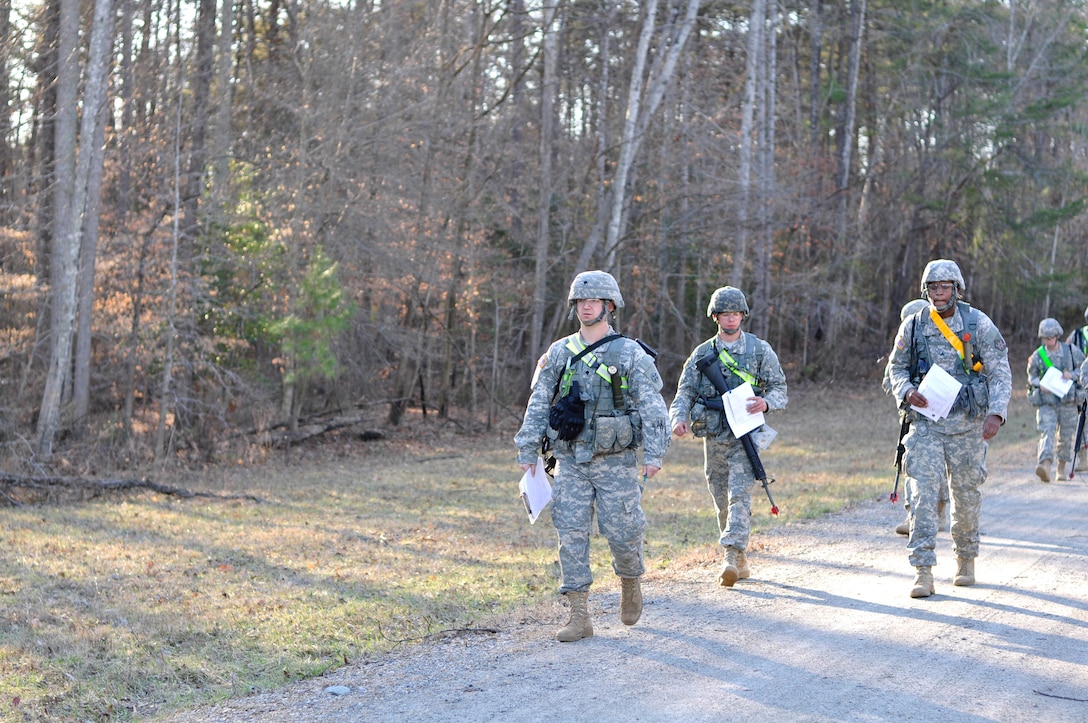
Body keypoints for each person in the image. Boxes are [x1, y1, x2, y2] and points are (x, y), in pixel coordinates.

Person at [514, 270, 670, 642]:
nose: (586, 306)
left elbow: (653, 408)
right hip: (570, 460)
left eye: (594, 301)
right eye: (581, 302)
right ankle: (579, 616)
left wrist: (655, 452)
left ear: (609, 306)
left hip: (615, 462)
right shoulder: (558, 352)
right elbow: (538, 401)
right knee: (570, 534)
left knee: (624, 533)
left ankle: (630, 582)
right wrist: (527, 446)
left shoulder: (629, 353)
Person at [884, 259, 1012, 598]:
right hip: (926, 425)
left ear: (957, 288)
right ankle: (923, 570)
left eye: (945, 287)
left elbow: (1000, 370)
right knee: (922, 495)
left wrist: (996, 414)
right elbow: (895, 370)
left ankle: (966, 558)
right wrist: (907, 391)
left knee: (966, 496)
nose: (939, 294)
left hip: (968, 425)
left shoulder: (977, 322)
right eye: (933, 288)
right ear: (925, 291)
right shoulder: (912, 326)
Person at [669, 286, 788, 587]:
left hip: (746, 436)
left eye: (735, 313)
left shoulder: (759, 350)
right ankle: (741, 556)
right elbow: (685, 391)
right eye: (725, 314)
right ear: (716, 317)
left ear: (743, 316)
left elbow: (779, 388)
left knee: (739, 494)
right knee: (721, 499)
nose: (731, 318)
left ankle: (731, 556)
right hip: (715, 436)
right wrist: (678, 418)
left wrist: (766, 402)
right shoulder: (703, 353)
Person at [883, 299, 950, 536]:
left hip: (941, 415)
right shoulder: (901, 347)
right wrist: (907, 390)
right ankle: (912, 514)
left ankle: (940, 511)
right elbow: (889, 379)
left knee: (937, 467)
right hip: (912, 417)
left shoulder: (940, 343)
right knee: (910, 463)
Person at [1027, 318, 1086, 482]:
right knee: (1047, 431)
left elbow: (1083, 369)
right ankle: (1044, 465)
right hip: (1047, 402)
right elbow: (1031, 377)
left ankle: (1061, 467)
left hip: (1068, 402)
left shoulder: (1071, 351)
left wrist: (1071, 375)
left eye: (1051, 337)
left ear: (1057, 335)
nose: (1048, 341)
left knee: (1066, 436)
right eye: (1045, 338)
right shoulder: (1038, 355)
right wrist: (1040, 384)